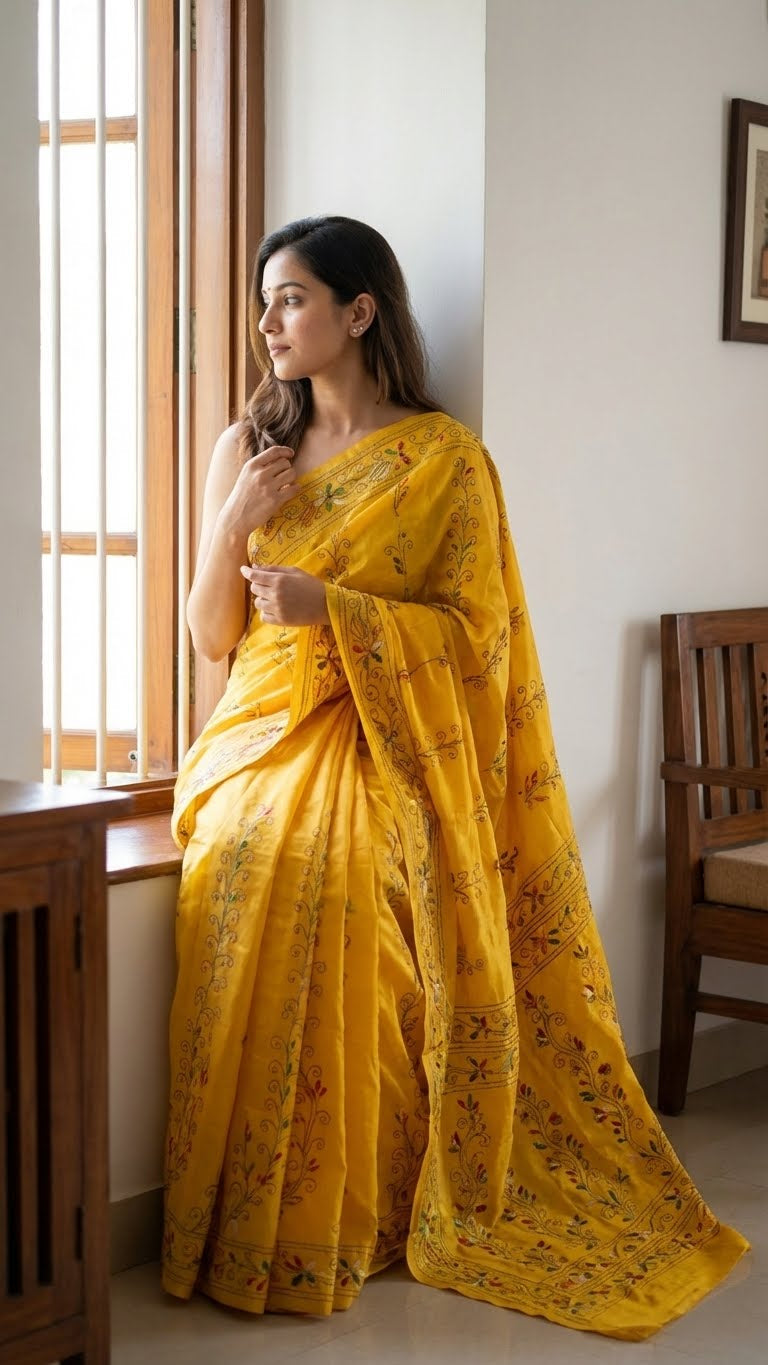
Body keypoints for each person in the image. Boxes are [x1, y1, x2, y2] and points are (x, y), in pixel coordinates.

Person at [162, 215, 747, 1338]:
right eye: (264, 301)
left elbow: (477, 641)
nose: (267, 323)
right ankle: (239, 1217)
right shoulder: (247, 449)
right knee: (247, 857)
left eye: (289, 298)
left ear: (359, 311)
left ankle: (356, 1211)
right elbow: (206, 635)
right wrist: (237, 517)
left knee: (350, 888)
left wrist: (335, 609)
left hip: (388, 744)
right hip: (261, 737)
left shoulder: (444, 462)